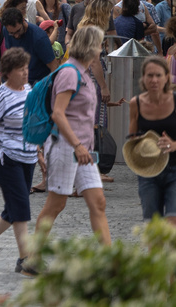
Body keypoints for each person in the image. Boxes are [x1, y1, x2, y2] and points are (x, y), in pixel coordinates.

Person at [33, 25, 111, 251]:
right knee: (56, 204)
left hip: (83, 150)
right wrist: (77, 145)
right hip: (67, 147)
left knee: (98, 202)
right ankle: (32, 257)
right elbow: (58, 113)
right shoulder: (69, 72)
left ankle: (111, 260)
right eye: (99, 45)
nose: (101, 50)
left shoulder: (83, 72)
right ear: (90, 47)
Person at [0, 47, 38, 274]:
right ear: (8, 72)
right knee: (20, 206)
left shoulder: (29, 90)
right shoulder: (1, 94)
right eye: (21, 69)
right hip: (5, 158)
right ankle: (25, 260)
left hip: (28, 156)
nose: (25, 72)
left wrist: (39, 152)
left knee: (14, 206)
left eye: (26, 68)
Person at [126, 55, 176, 226]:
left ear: (167, 77)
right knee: (154, 229)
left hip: (175, 169)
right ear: (143, 78)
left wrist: (174, 145)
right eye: (150, 75)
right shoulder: (136, 104)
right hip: (148, 173)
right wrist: (142, 142)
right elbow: (132, 139)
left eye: (158, 75)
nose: (154, 80)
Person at [0, 7, 58, 86]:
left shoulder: (38, 37)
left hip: (37, 83)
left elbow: (54, 66)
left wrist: (48, 87)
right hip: (19, 82)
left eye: (18, 31)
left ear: (23, 21)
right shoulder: (6, 30)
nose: (16, 36)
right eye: (12, 33)